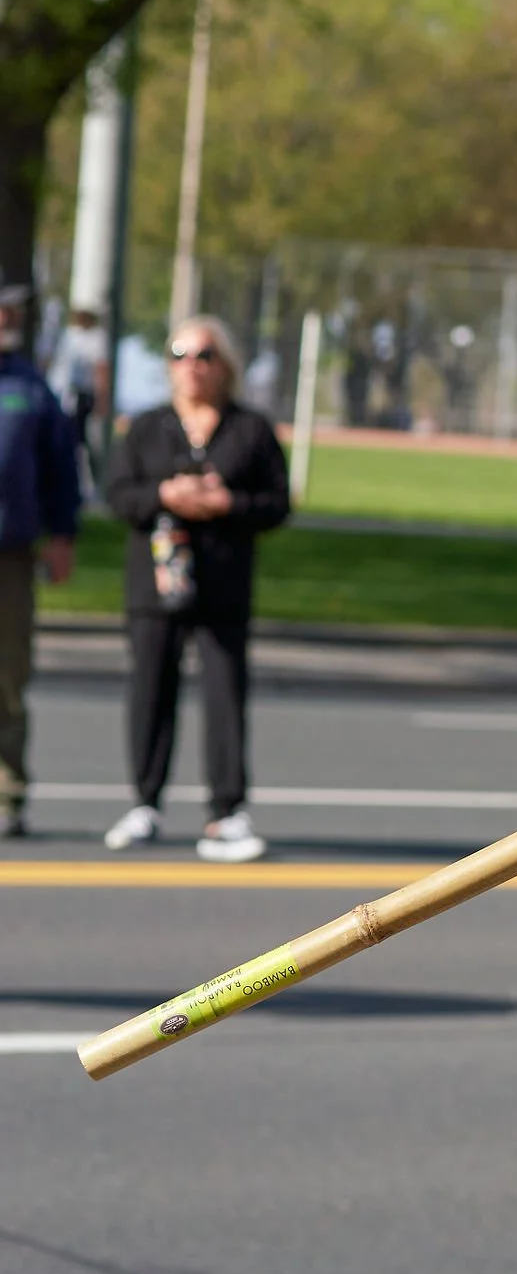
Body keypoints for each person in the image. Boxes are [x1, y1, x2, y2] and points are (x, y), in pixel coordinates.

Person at [102, 317, 289, 863]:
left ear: (225, 364)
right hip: (156, 583)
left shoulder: (249, 429)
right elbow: (117, 495)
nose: (192, 366)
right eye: (180, 354)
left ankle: (226, 812)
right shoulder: (146, 427)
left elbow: (277, 503)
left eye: (204, 355)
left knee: (225, 694)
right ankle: (145, 802)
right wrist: (166, 493)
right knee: (150, 690)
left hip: (222, 584)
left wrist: (227, 503)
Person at [0, 286, 82, 836]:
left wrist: (62, 534)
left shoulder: (29, 386)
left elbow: (60, 464)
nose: (8, 318)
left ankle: (7, 794)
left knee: (7, 676)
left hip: (11, 553)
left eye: (11, 311)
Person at [53, 300, 108, 488]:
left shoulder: (97, 337)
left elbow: (101, 368)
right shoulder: (66, 335)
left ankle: (85, 484)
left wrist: (102, 399)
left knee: (81, 441)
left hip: (82, 396)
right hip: (61, 393)